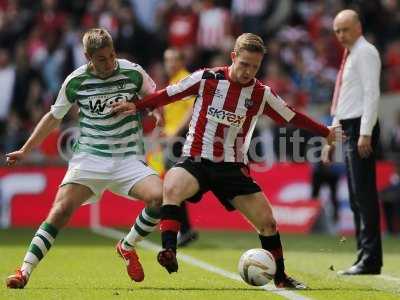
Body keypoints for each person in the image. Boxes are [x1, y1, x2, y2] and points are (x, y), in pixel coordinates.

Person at [113, 33, 342, 289]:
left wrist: (326, 131)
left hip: (231, 167)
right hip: (196, 159)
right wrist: (139, 105)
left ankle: (280, 277)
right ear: (233, 57)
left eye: (254, 67)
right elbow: (168, 94)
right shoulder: (207, 78)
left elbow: (292, 116)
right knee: (172, 186)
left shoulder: (260, 93)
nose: (248, 71)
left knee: (268, 222)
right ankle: (169, 251)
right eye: (244, 64)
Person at [5, 28, 163, 289]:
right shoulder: (76, 81)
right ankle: (24, 271)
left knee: (160, 198)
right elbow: (53, 117)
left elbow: (154, 99)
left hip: (128, 159)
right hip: (90, 158)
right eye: (101, 59)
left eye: (111, 55)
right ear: (88, 57)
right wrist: (25, 149)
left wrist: (155, 114)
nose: (109, 62)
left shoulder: (132, 71)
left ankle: (127, 245)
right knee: (60, 211)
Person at [322, 10, 382, 275]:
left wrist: (366, 132)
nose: (341, 35)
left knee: (363, 194)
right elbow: (344, 98)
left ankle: (369, 258)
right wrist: (332, 136)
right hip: (349, 126)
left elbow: (372, 93)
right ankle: (364, 256)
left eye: (345, 29)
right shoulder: (352, 55)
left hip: (360, 126)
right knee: (357, 195)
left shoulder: (365, 52)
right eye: (337, 30)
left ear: (358, 27)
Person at [162, 48, 198, 247]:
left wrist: (176, 132)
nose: (169, 64)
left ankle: (182, 229)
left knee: (173, 186)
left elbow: (193, 109)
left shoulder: (185, 80)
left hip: (180, 139)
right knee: (172, 186)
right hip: (171, 138)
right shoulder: (173, 81)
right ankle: (185, 229)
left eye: (174, 59)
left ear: (182, 61)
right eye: (167, 60)